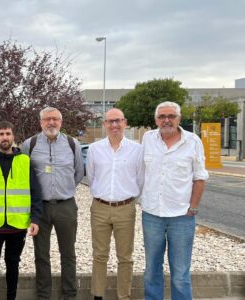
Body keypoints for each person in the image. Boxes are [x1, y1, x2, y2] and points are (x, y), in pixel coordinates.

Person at [141, 101, 208, 300]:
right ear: (156, 120)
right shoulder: (147, 138)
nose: (166, 120)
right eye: (162, 117)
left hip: (182, 217)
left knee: (180, 273)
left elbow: (200, 177)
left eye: (171, 116)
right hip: (152, 214)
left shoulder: (193, 141)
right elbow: (140, 171)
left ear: (179, 119)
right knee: (152, 269)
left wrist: (193, 208)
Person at [21, 107, 84, 300]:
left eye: (55, 119)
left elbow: (78, 173)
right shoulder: (29, 145)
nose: (51, 123)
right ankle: (43, 295)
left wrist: (63, 190)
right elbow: (25, 177)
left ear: (61, 122)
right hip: (40, 208)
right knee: (41, 255)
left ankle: (69, 295)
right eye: (47, 119)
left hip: (66, 205)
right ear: (40, 122)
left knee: (68, 254)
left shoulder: (73, 144)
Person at [0, 121, 43, 300]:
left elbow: (35, 191)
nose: (5, 137)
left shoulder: (25, 161)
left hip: (17, 224)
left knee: (13, 264)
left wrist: (35, 219)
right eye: (1, 134)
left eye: (8, 134)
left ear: (14, 137)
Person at [86, 108, 144, 300]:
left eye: (118, 121)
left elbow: (140, 179)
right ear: (104, 124)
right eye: (110, 121)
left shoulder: (137, 150)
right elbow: (91, 177)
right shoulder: (95, 149)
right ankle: (98, 295)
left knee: (125, 257)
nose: (114, 125)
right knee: (99, 255)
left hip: (126, 209)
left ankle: (124, 296)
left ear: (125, 122)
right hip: (100, 208)